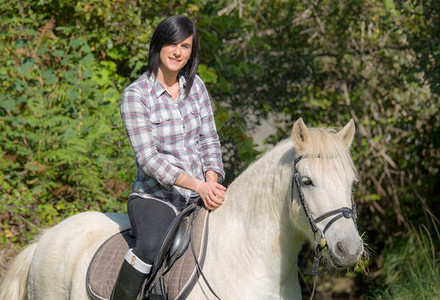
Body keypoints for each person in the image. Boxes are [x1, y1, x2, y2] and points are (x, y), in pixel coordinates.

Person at [111, 15, 226, 300]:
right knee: (150, 245)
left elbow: (209, 140)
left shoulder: (195, 86)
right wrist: (197, 185)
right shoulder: (136, 95)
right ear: (158, 45)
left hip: (201, 194)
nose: (178, 52)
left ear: (191, 52)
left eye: (185, 46)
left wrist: (211, 183)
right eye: (172, 44)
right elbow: (149, 159)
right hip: (156, 198)